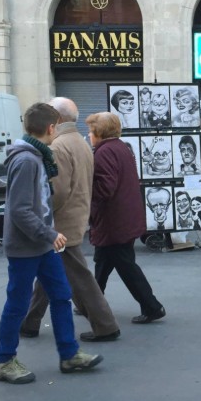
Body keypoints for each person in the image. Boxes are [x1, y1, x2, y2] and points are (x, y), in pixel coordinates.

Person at [0, 103, 102, 385]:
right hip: (27, 246)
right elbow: (20, 210)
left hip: (40, 243)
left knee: (61, 295)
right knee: (17, 303)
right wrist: (49, 233)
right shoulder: (28, 160)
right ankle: (4, 361)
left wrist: (47, 233)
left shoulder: (35, 157)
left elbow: (35, 205)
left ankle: (69, 354)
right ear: (51, 128)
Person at [20, 98, 121, 342]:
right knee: (49, 275)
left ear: (55, 118)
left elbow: (57, 191)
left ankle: (105, 325)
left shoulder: (58, 146)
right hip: (74, 218)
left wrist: (41, 217)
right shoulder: (80, 142)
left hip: (61, 223)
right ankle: (30, 322)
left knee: (79, 278)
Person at [87, 112, 166, 324]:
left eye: (90, 131)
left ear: (99, 132)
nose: (88, 136)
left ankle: (152, 306)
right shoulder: (120, 147)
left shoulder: (104, 152)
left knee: (125, 266)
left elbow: (105, 188)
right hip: (123, 217)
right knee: (103, 262)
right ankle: (91, 302)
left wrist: (85, 192)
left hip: (114, 221)